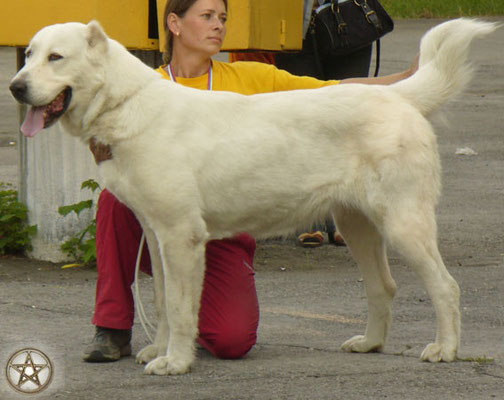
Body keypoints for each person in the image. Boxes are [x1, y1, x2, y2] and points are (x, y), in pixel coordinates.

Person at [82, 0, 419, 363]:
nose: (218, 26)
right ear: (175, 24)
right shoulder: (148, 88)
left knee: (232, 341)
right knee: (115, 198)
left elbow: (331, 92)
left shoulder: (248, 77)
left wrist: (406, 81)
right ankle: (112, 328)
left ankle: (188, 319)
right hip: (165, 223)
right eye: (207, 17)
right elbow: (106, 149)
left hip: (227, 222)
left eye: (223, 18)